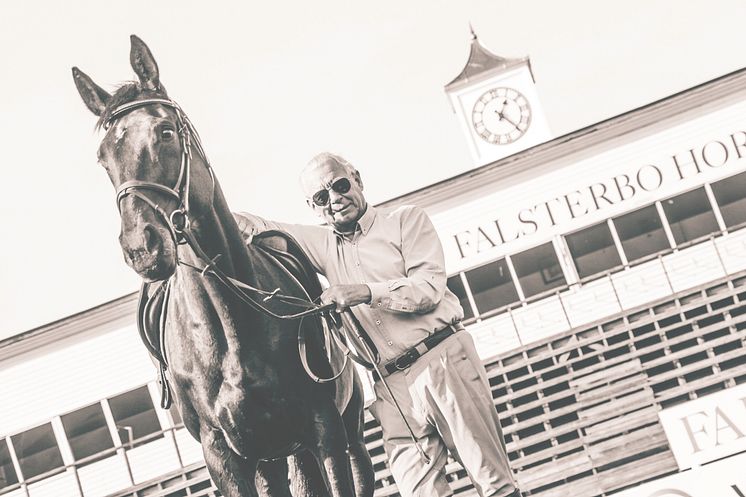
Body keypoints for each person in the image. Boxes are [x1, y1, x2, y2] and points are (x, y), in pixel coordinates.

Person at [234, 152, 521, 497]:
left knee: (493, 484)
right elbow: (263, 226)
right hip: (389, 384)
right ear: (313, 206)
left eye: (340, 185)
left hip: (442, 360)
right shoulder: (323, 244)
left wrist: (364, 293)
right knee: (419, 490)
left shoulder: (405, 221)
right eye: (322, 197)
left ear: (357, 178)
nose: (335, 200)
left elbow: (428, 290)